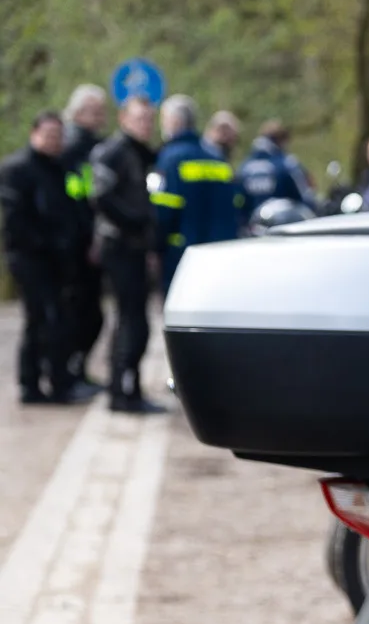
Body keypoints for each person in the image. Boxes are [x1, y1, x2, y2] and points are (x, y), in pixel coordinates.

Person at [2, 111, 94, 404]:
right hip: (30, 259)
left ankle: (59, 381)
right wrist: (46, 243)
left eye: (59, 136)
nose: (55, 141)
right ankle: (31, 385)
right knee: (41, 321)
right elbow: (15, 221)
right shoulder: (16, 169)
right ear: (35, 134)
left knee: (60, 321)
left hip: (60, 259)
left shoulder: (62, 167)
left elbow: (75, 206)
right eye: (49, 135)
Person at [90, 96, 168, 414]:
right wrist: (137, 222)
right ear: (123, 119)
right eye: (139, 119)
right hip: (119, 247)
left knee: (137, 322)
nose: (145, 125)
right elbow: (100, 197)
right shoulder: (112, 152)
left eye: (149, 119)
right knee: (129, 321)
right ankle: (121, 391)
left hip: (136, 247)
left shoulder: (141, 153)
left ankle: (129, 388)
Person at [153, 95, 245, 285]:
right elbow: (237, 203)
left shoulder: (169, 159)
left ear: (174, 121)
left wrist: (155, 248)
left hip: (182, 255)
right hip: (222, 252)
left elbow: (163, 210)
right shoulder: (218, 159)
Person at [59, 84, 110, 390]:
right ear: (78, 112)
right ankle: (69, 373)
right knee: (81, 313)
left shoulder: (95, 146)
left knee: (91, 314)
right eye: (95, 111)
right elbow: (78, 197)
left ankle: (76, 370)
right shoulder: (72, 147)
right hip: (76, 243)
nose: (101, 117)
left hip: (87, 238)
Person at [239, 120, 310, 207]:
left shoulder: (244, 168)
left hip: (253, 215)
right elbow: (305, 197)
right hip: (284, 214)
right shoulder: (287, 164)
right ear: (281, 140)